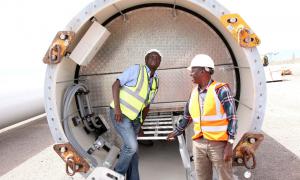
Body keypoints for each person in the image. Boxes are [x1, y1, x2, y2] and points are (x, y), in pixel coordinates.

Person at [167, 54, 237, 180]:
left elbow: (232, 118)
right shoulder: (194, 92)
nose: (191, 74)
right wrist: (176, 132)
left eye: (193, 70)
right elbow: (187, 117)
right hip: (198, 144)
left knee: (226, 177)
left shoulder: (221, 90)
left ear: (203, 71)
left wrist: (230, 145)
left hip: (218, 145)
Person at [110, 49, 161, 180]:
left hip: (135, 120)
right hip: (120, 115)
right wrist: (117, 109)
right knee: (131, 146)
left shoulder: (155, 80)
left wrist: (141, 125)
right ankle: (116, 175)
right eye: (151, 56)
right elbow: (115, 85)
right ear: (146, 60)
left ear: (160, 62)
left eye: (157, 57)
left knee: (134, 152)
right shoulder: (136, 70)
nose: (154, 58)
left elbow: (147, 105)